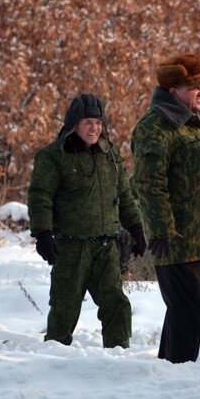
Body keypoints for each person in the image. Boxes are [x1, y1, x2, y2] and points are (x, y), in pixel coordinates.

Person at [130, 54, 200, 364]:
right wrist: (162, 231)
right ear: (172, 91)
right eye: (193, 87)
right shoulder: (155, 127)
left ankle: (170, 372)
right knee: (187, 317)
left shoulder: (196, 124)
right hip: (177, 242)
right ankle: (179, 377)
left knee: (189, 317)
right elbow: (150, 185)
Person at [27, 94, 146, 349]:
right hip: (70, 248)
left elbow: (124, 194)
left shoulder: (110, 154)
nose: (95, 128)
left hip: (105, 247)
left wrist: (136, 227)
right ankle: (53, 358)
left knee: (116, 303)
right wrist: (43, 233)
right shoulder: (52, 156)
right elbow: (40, 197)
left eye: (98, 122)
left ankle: (118, 353)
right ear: (74, 124)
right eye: (88, 122)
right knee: (64, 307)